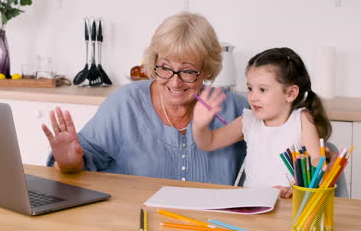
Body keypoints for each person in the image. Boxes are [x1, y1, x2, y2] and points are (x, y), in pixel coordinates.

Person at [41, 11, 248, 185]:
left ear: (206, 70)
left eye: (187, 71)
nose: (175, 83)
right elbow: (83, 161)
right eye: (165, 68)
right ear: (154, 62)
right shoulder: (125, 104)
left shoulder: (235, 109)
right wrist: (69, 163)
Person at [192, 47, 332, 198]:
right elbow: (208, 143)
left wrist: (298, 187)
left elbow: (316, 159)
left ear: (290, 93)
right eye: (250, 88)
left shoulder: (301, 120)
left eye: (262, 90)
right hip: (251, 205)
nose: (253, 97)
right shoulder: (248, 120)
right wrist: (200, 126)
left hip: (289, 205)